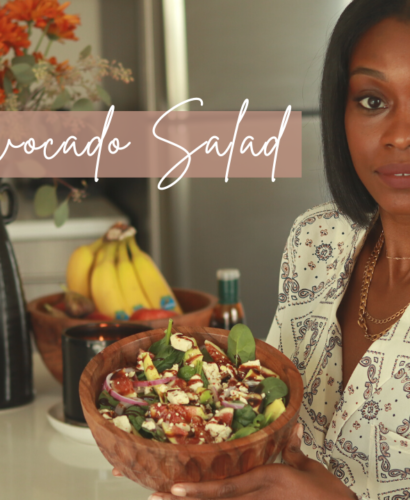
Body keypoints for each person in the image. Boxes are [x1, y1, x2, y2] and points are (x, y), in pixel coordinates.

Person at [115, 1, 410, 498]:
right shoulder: (317, 240)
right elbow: (272, 434)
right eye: (372, 101)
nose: (400, 136)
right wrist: (193, 447)